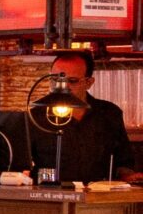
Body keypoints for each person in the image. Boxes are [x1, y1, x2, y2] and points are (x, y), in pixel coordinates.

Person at [42, 49, 135, 183]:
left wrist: (128, 176)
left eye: (72, 81)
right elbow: (23, 165)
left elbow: (124, 161)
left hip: (98, 193)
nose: (63, 86)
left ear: (89, 82)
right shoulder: (37, 116)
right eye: (56, 79)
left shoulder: (109, 114)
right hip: (50, 193)